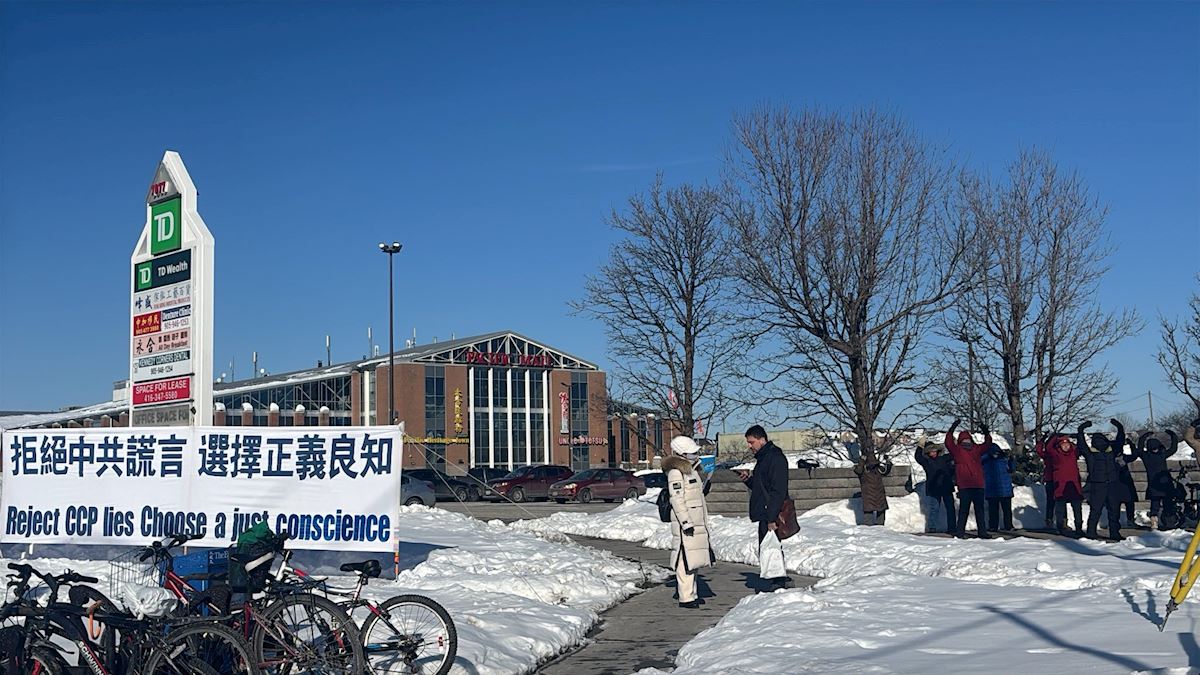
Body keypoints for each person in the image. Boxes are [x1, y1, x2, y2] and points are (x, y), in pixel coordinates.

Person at [737, 425, 793, 591]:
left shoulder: (775, 458)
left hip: (771, 511)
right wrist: (748, 480)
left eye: (751, 442)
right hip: (765, 511)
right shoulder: (763, 459)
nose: (749, 446)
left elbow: (778, 490)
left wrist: (771, 517)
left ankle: (778, 581)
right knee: (768, 546)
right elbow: (761, 487)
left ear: (762, 440)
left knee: (772, 545)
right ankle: (775, 579)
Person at [663, 436, 713, 609]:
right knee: (684, 560)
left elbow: (693, 495)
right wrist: (686, 522)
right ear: (681, 454)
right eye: (691, 453)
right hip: (687, 522)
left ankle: (692, 593)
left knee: (694, 559)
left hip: (696, 520)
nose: (695, 455)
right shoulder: (676, 472)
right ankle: (686, 597)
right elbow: (677, 499)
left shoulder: (691, 470)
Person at [1079, 419, 1125, 540]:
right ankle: (1098, 533)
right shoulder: (1093, 454)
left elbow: (1082, 444)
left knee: (1105, 510)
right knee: (1104, 510)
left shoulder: (1107, 452)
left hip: (1108, 484)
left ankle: (1099, 533)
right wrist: (1119, 427)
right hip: (1099, 484)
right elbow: (1120, 441)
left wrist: (1081, 429)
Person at [945, 419, 990, 539]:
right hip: (968, 485)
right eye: (964, 440)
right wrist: (952, 429)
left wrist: (986, 432)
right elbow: (948, 443)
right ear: (961, 441)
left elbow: (987, 444)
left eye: (968, 440)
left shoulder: (975, 449)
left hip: (974, 484)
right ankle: (962, 532)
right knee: (966, 510)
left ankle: (978, 532)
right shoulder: (959, 450)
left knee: (976, 510)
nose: (966, 442)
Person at [1132, 428, 1180, 530]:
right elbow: (1173, 448)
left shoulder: (1146, 456)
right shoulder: (1162, 455)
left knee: (1155, 505)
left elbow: (1139, 448)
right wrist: (1173, 435)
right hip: (1165, 485)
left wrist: (1144, 437)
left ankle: (1154, 522)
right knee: (1168, 505)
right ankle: (1169, 523)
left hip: (1153, 485)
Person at [1037, 432, 1084, 537]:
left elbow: (1079, 448)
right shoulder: (1054, 454)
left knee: (1076, 507)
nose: (1066, 446)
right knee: (1057, 506)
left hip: (1073, 485)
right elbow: (1045, 449)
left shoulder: (1073, 453)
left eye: (1067, 444)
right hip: (1056, 483)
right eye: (1063, 444)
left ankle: (1074, 526)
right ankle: (1056, 524)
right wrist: (1053, 437)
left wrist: (1078, 436)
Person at [914, 442, 957, 534]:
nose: (933, 453)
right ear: (928, 453)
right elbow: (918, 457)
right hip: (934, 487)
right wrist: (920, 446)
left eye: (935, 451)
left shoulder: (944, 458)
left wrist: (955, 444)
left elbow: (954, 454)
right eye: (931, 451)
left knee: (950, 508)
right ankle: (932, 528)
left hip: (946, 486)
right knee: (934, 508)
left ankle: (952, 527)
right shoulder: (927, 461)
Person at [982, 442, 1015, 531]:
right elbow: (1011, 469)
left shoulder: (986, 460)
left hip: (993, 489)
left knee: (994, 510)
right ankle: (1008, 526)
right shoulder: (1003, 459)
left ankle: (994, 526)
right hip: (1004, 489)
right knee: (1005, 510)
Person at [853, 450, 891, 525]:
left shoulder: (864, 470)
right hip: (879, 493)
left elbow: (858, 470)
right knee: (880, 512)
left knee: (869, 513)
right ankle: (880, 527)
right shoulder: (878, 469)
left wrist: (861, 461)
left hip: (869, 495)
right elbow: (886, 470)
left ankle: (870, 529)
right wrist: (887, 461)